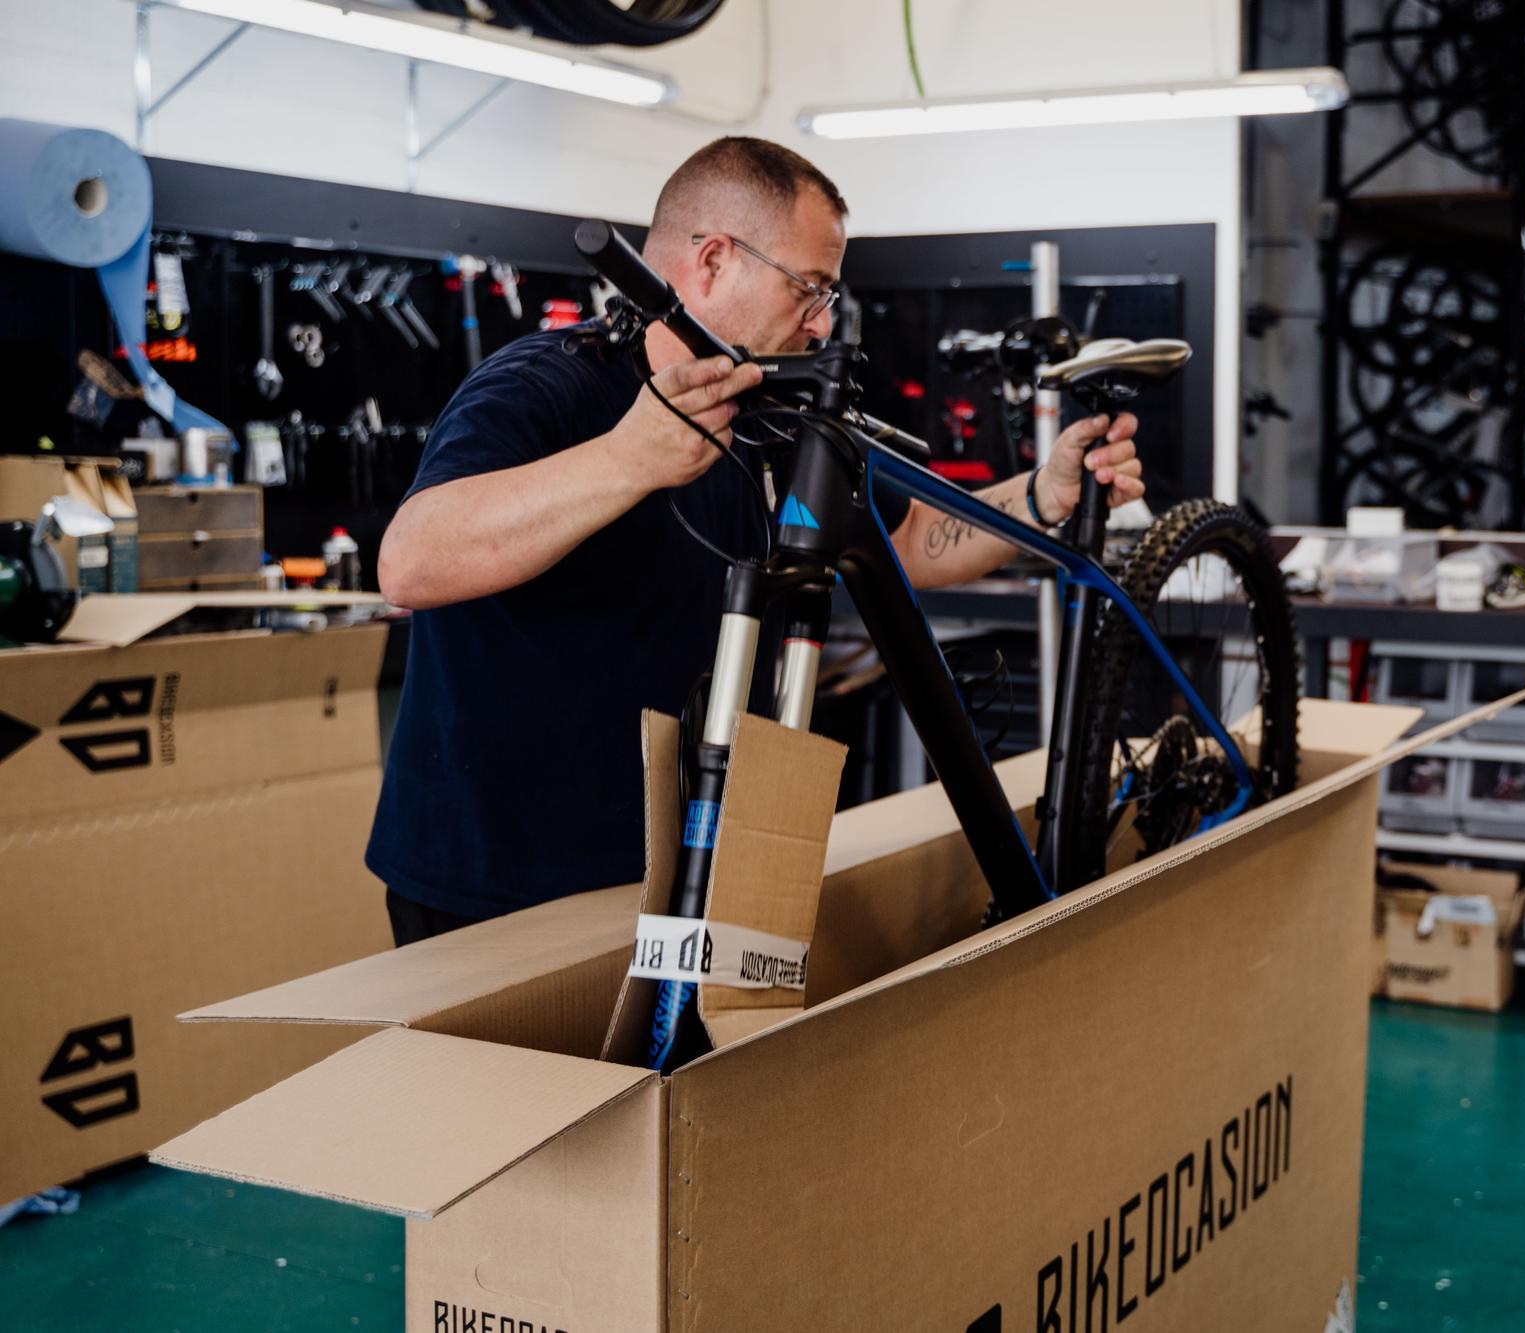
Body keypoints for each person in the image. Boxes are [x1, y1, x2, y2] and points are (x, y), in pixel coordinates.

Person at [368, 136, 1145, 945]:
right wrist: (626, 460)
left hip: (677, 877)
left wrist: (1040, 495)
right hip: (495, 887)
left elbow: (908, 540)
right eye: (809, 287)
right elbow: (412, 561)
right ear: (711, 262)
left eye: (831, 293)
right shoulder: (542, 385)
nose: (823, 318)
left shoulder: (769, 411)